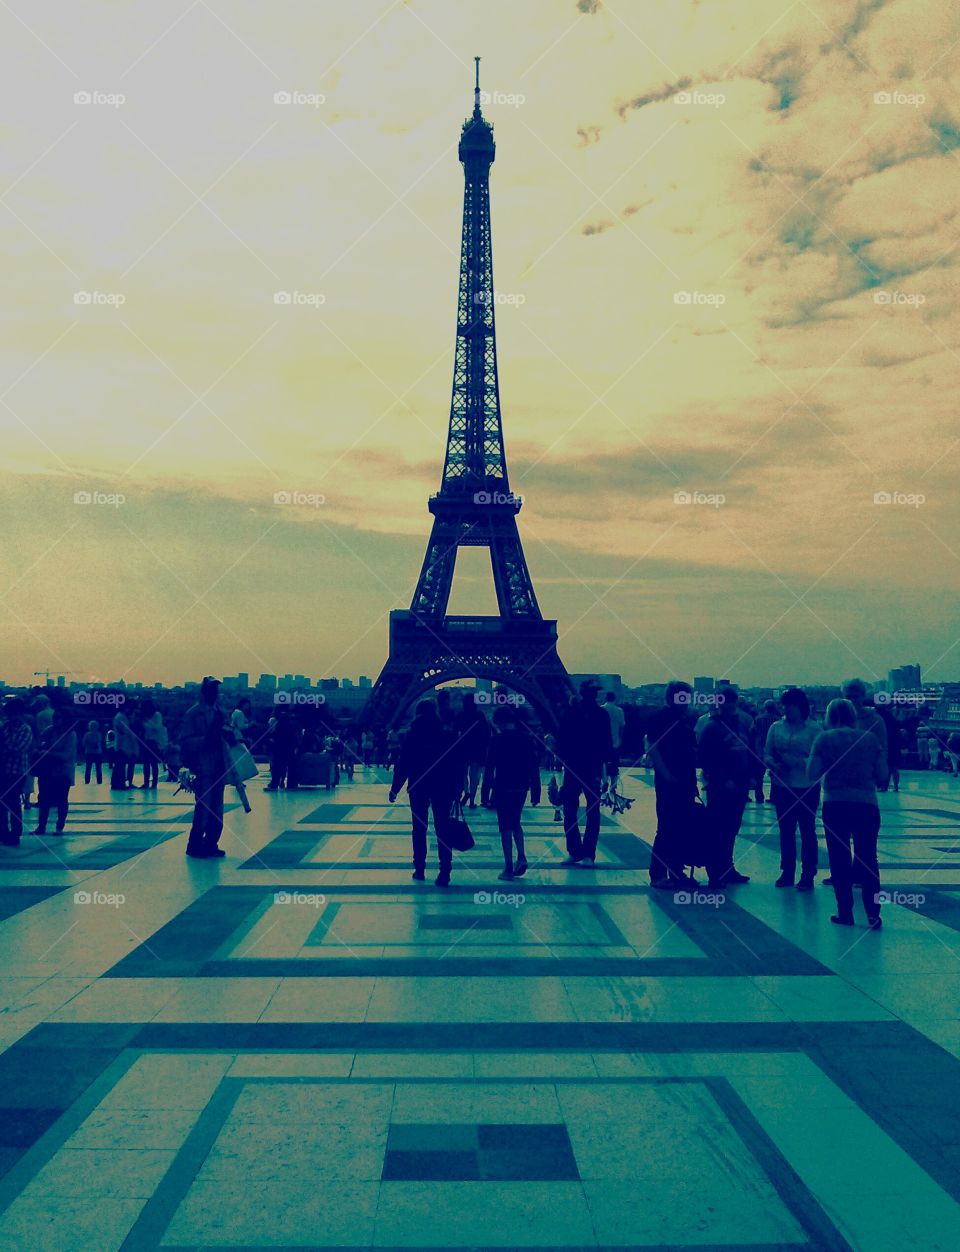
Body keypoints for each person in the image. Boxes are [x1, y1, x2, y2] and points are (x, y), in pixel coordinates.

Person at [808, 697, 888, 929]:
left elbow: (812, 773)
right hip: (866, 804)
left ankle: (845, 912)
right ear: (853, 716)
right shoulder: (870, 739)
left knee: (839, 857)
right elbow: (882, 774)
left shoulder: (823, 739)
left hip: (836, 804)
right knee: (868, 858)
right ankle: (873, 913)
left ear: (830, 716)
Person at [389, 701, 462, 886]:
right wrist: (458, 789)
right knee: (443, 828)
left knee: (419, 829)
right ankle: (445, 870)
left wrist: (395, 788)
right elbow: (456, 765)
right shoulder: (448, 736)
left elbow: (403, 765)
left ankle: (419, 869)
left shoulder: (412, 737)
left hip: (419, 787)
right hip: (443, 787)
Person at [764, 688, 821, 890]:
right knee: (786, 831)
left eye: (791, 705)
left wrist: (797, 762)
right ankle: (787, 871)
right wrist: (773, 764)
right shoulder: (776, 728)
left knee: (807, 831)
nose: (787, 709)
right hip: (782, 785)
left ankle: (808, 873)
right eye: (785, 705)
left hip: (806, 786)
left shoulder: (814, 730)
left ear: (800, 706)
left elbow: (819, 759)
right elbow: (767, 753)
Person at [697, 687, 753, 888]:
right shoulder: (711, 728)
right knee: (717, 829)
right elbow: (704, 758)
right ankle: (715, 872)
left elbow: (749, 752)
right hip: (721, 788)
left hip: (740, 786)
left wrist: (751, 777)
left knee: (731, 828)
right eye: (724, 702)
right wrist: (722, 778)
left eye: (731, 702)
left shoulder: (741, 726)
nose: (728, 706)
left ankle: (727, 867)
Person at [646, 681, 699, 889]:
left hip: (684, 781)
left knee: (680, 827)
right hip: (670, 782)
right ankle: (658, 874)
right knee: (667, 827)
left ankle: (676, 871)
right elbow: (653, 748)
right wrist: (666, 775)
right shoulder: (661, 718)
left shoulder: (683, 719)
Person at [556, 681, 613, 867]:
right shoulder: (602, 715)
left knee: (570, 809)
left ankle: (575, 850)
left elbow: (561, 740)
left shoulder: (571, 713)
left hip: (574, 766)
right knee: (592, 810)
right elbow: (607, 744)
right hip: (592, 767)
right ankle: (588, 853)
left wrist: (563, 759)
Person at [483, 705, 541, 880]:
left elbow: (489, 769)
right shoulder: (526, 739)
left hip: (503, 786)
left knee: (505, 827)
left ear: (498, 722)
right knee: (515, 820)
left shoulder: (496, 741)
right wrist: (536, 792)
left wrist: (485, 794)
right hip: (521, 786)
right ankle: (521, 856)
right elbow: (533, 767)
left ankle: (508, 867)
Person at [179, 677, 230, 859]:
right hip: (203, 766)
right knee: (204, 807)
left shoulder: (219, 713)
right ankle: (195, 844)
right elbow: (185, 742)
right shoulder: (193, 714)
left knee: (217, 808)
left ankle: (211, 843)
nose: (214, 694)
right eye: (211, 690)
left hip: (219, 765)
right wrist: (207, 740)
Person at [34, 708, 77, 836]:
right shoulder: (49, 731)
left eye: (58, 718)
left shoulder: (70, 734)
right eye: (54, 717)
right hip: (47, 771)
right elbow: (39, 744)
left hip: (62, 773)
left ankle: (59, 826)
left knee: (61, 800)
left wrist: (48, 753)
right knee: (44, 799)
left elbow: (66, 755)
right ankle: (41, 826)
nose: (55, 720)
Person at [0, 699, 33, 847]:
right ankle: (3, 832)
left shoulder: (25, 729)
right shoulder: (5, 727)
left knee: (13, 802)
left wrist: (4, 748)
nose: (11, 717)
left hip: (16, 771)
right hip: (3, 770)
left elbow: (17, 748)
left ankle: (15, 833)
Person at [455, 694, 491, 809]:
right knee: (475, 776)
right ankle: (471, 801)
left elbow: (456, 732)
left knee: (463, 773)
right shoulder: (480, 715)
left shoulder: (460, 715)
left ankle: (466, 791)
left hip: (463, 747)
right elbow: (486, 733)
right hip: (477, 748)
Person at [841, 679, 888, 756]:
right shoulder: (839, 719)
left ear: (863, 697)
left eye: (856, 697)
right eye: (848, 697)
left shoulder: (875, 720)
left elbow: (882, 750)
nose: (852, 700)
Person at [752, 700, 779, 803]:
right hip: (773, 751)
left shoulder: (758, 719)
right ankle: (773, 796)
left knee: (759, 776)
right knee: (774, 776)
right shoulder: (777, 720)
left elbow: (752, 733)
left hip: (759, 750)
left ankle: (759, 796)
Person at [266, 708, 297, 791]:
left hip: (279, 750)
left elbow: (274, 737)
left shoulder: (279, 726)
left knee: (277, 768)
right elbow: (294, 739)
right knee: (290, 768)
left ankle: (274, 784)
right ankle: (291, 784)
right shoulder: (291, 727)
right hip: (289, 750)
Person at [140, 701, 167, 790]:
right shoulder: (145, 717)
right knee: (146, 764)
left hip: (154, 742)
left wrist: (146, 722)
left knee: (153, 763)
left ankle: (154, 784)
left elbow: (156, 727)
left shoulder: (157, 715)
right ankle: (146, 783)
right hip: (147, 741)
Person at [602, 692, 625, 786]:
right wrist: (620, 738)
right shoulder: (619, 710)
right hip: (615, 741)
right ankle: (613, 785)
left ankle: (604, 782)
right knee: (614, 765)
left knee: (602, 763)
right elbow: (622, 726)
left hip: (602, 742)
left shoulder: (601, 709)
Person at [111, 708, 136, 791]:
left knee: (120, 765)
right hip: (121, 745)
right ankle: (118, 783)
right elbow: (126, 731)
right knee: (120, 765)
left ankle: (118, 783)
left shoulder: (120, 717)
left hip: (121, 744)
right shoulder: (121, 717)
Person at [82, 719, 103, 785]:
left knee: (97, 768)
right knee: (89, 768)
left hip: (95, 753)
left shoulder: (97, 735)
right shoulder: (88, 735)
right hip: (91, 753)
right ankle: (88, 781)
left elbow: (84, 744)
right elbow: (84, 743)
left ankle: (98, 781)